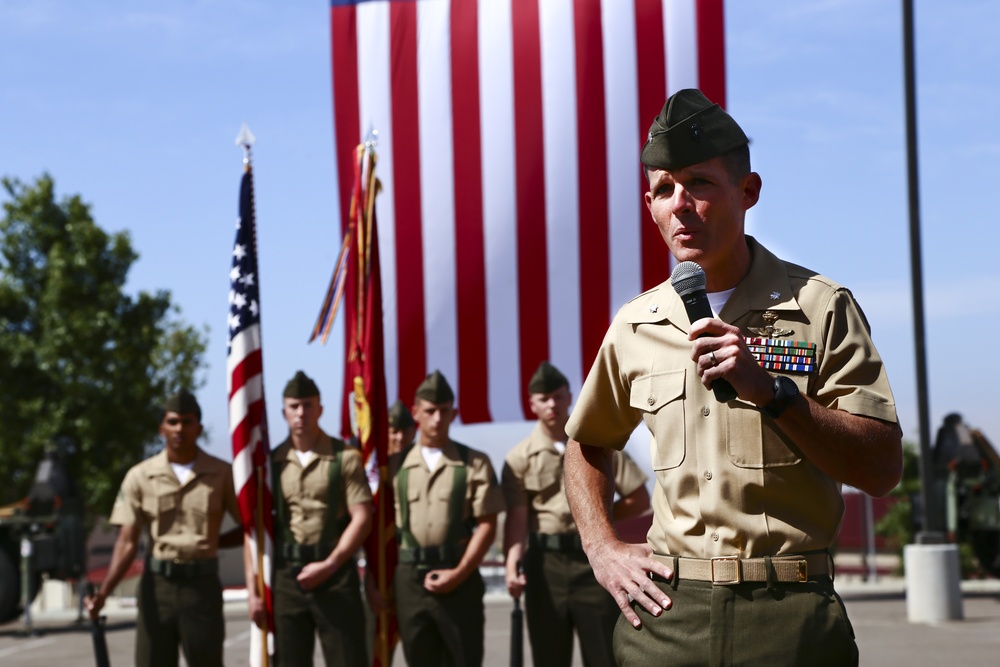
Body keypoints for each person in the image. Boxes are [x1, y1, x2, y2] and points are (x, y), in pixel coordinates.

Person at [562, 89, 903, 666]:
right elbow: (586, 442)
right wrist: (601, 546)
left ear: (748, 192)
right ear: (650, 206)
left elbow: (881, 469)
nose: (680, 205)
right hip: (667, 621)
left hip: (788, 615)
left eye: (699, 183)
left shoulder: (818, 308)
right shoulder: (636, 324)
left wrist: (772, 392)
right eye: (664, 190)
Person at [502, 361, 650, 667]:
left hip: (593, 563)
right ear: (531, 404)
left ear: (571, 398)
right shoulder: (519, 458)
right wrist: (511, 561)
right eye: (543, 399)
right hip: (545, 565)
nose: (552, 404)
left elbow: (638, 500)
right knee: (549, 654)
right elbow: (518, 518)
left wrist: (594, 523)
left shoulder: (596, 443)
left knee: (604, 654)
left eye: (558, 396)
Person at [85, 390, 242, 667]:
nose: (179, 428)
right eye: (172, 422)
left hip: (202, 587)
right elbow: (126, 542)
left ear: (199, 427)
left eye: (187, 421)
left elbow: (250, 526)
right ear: (162, 428)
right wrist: (104, 592)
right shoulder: (140, 476)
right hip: (158, 587)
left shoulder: (222, 473)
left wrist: (215, 544)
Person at [248, 370, 373, 667]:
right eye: (294, 406)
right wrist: (254, 592)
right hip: (287, 576)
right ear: (284, 412)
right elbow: (254, 530)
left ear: (320, 409)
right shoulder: (269, 463)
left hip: (335, 573)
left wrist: (330, 564)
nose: (301, 413)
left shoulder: (345, 457)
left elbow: (363, 517)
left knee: (347, 657)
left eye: (307, 405)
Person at [390, 370, 504, 667]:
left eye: (443, 411)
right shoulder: (394, 466)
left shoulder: (474, 462)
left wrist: (460, 573)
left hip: (459, 577)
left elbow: (487, 525)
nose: (437, 418)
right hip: (410, 580)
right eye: (430, 411)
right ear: (415, 412)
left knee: (464, 659)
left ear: (454, 413)